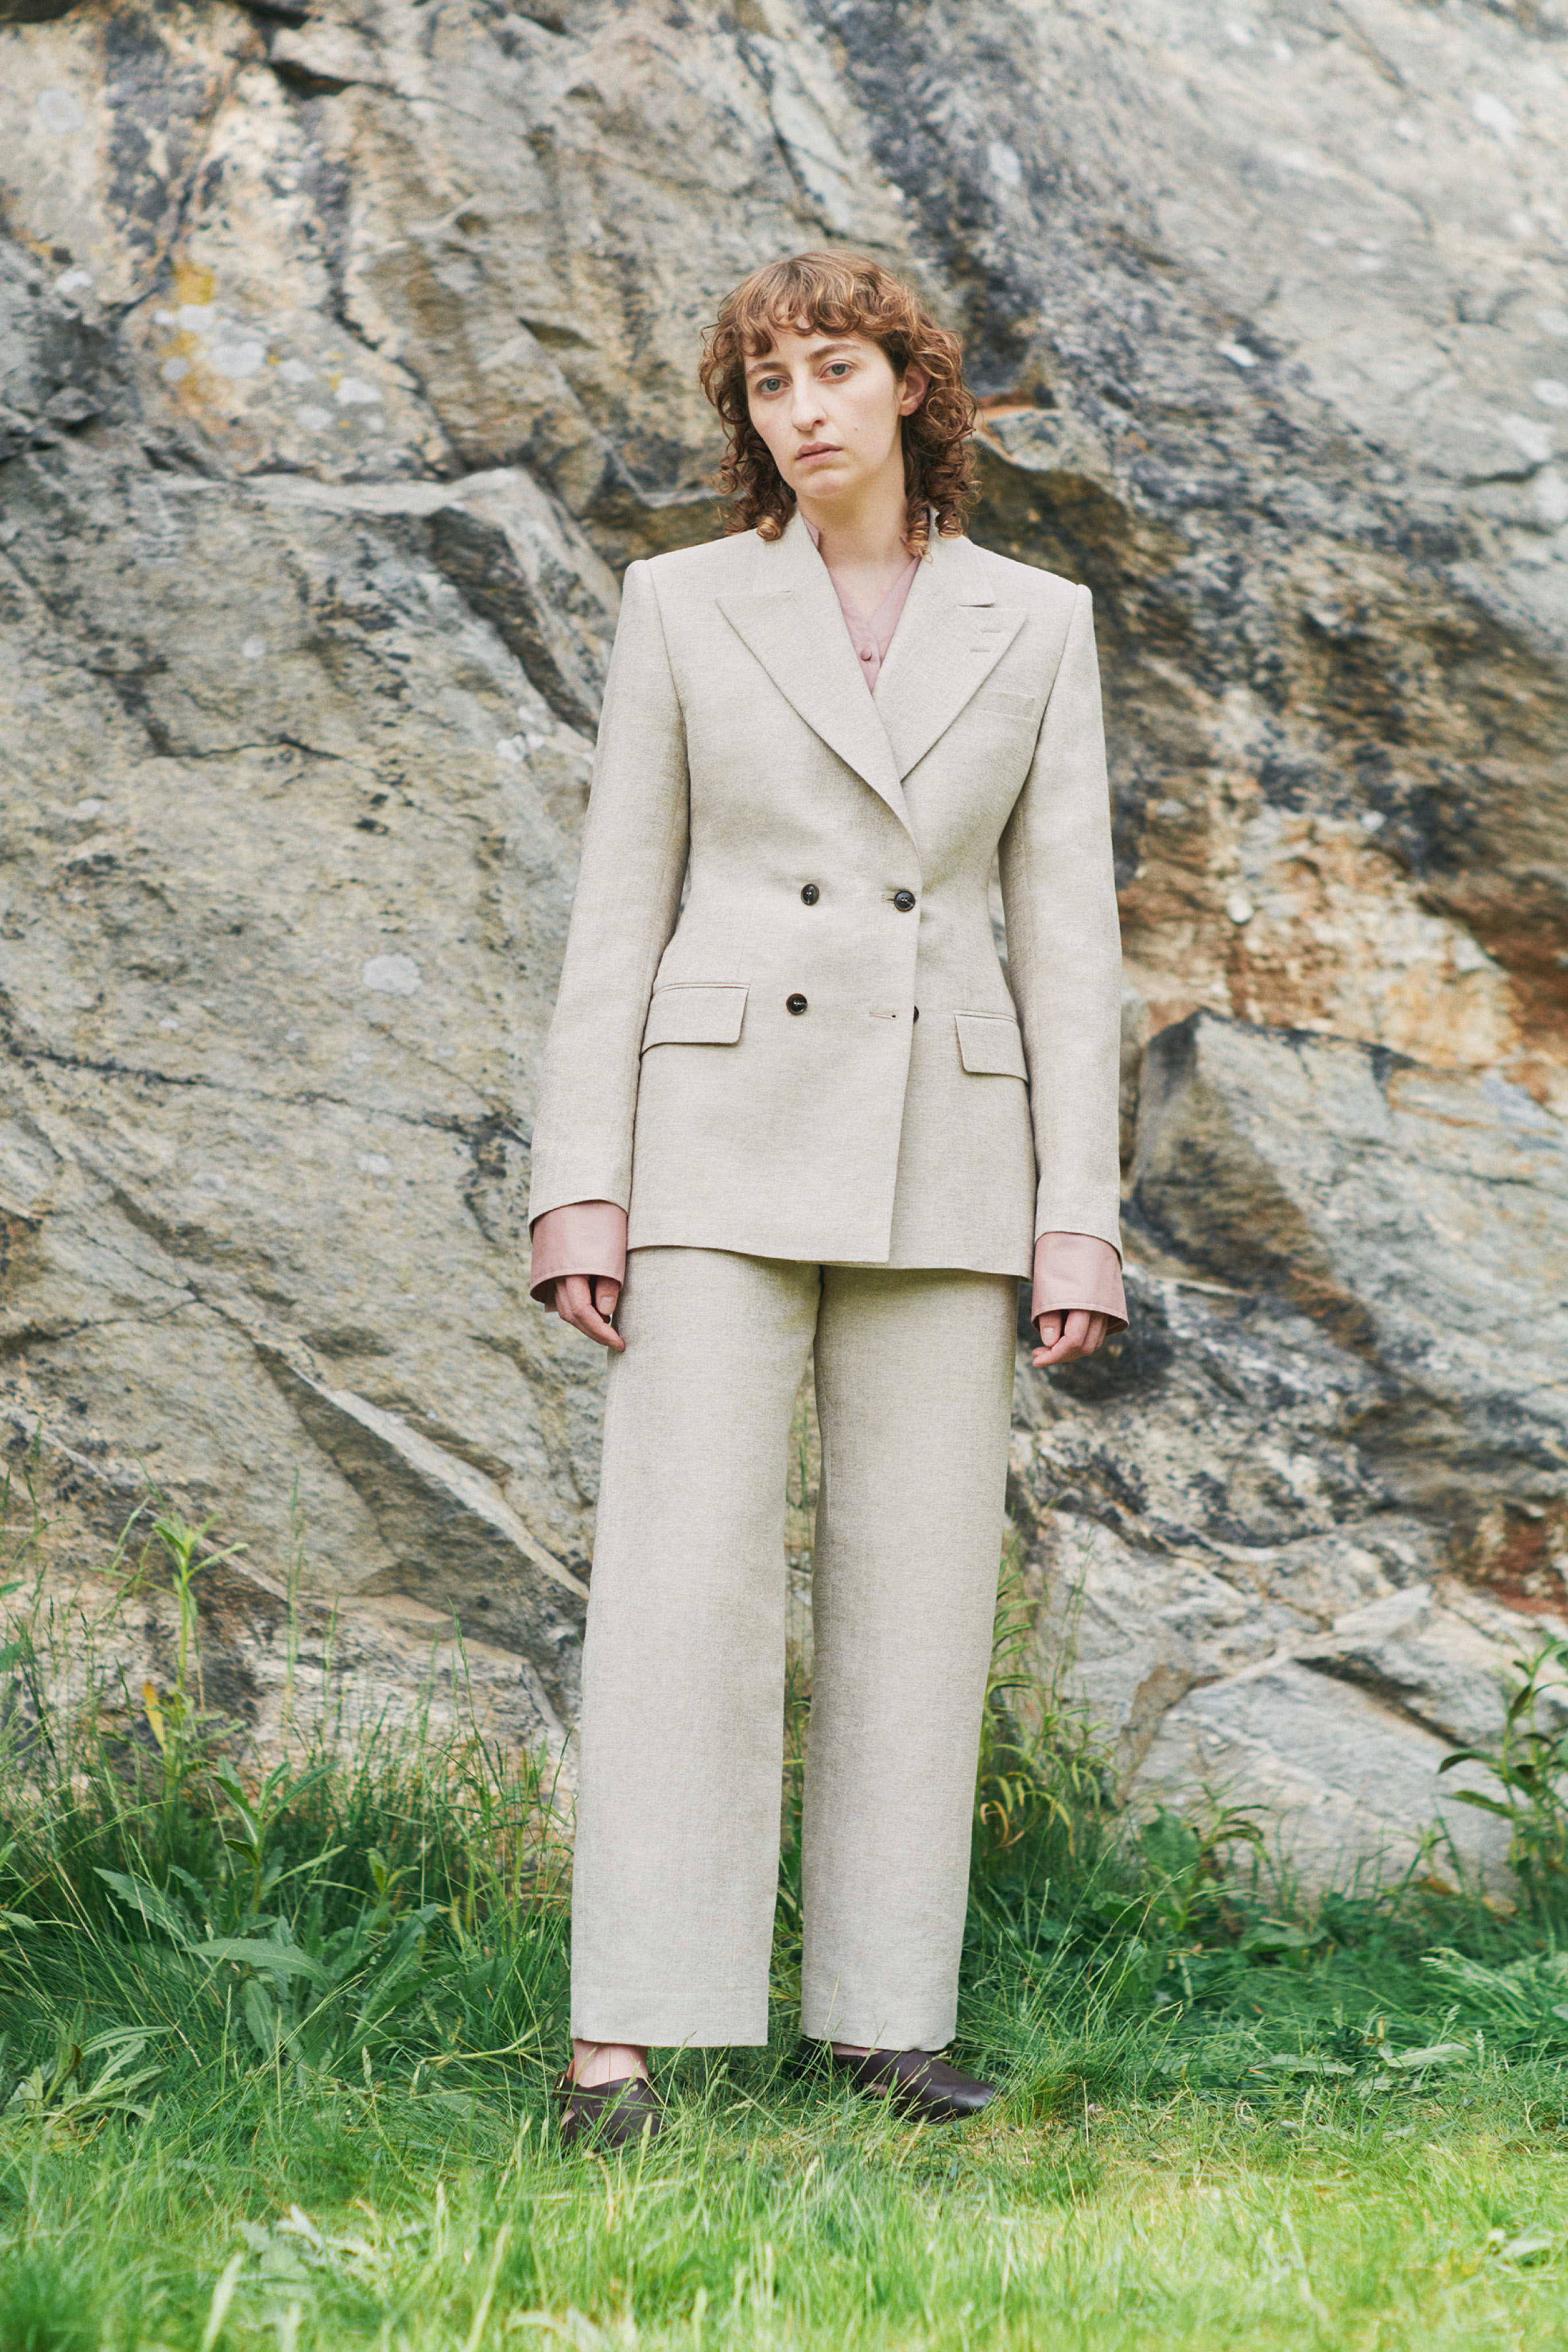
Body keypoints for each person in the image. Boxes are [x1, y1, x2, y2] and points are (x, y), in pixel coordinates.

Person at [527, 251, 1126, 2148]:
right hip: (710, 1136)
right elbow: (615, 913)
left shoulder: (1033, 624)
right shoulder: (681, 603)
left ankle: (881, 2014)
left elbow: (1071, 942)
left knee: (919, 1588)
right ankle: (622, 2032)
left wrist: (1077, 1210)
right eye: (768, 379)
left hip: (947, 1145)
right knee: (681, 1584)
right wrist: (580, 1190)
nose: (802, 405)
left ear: (910, 391)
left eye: (837, 366)